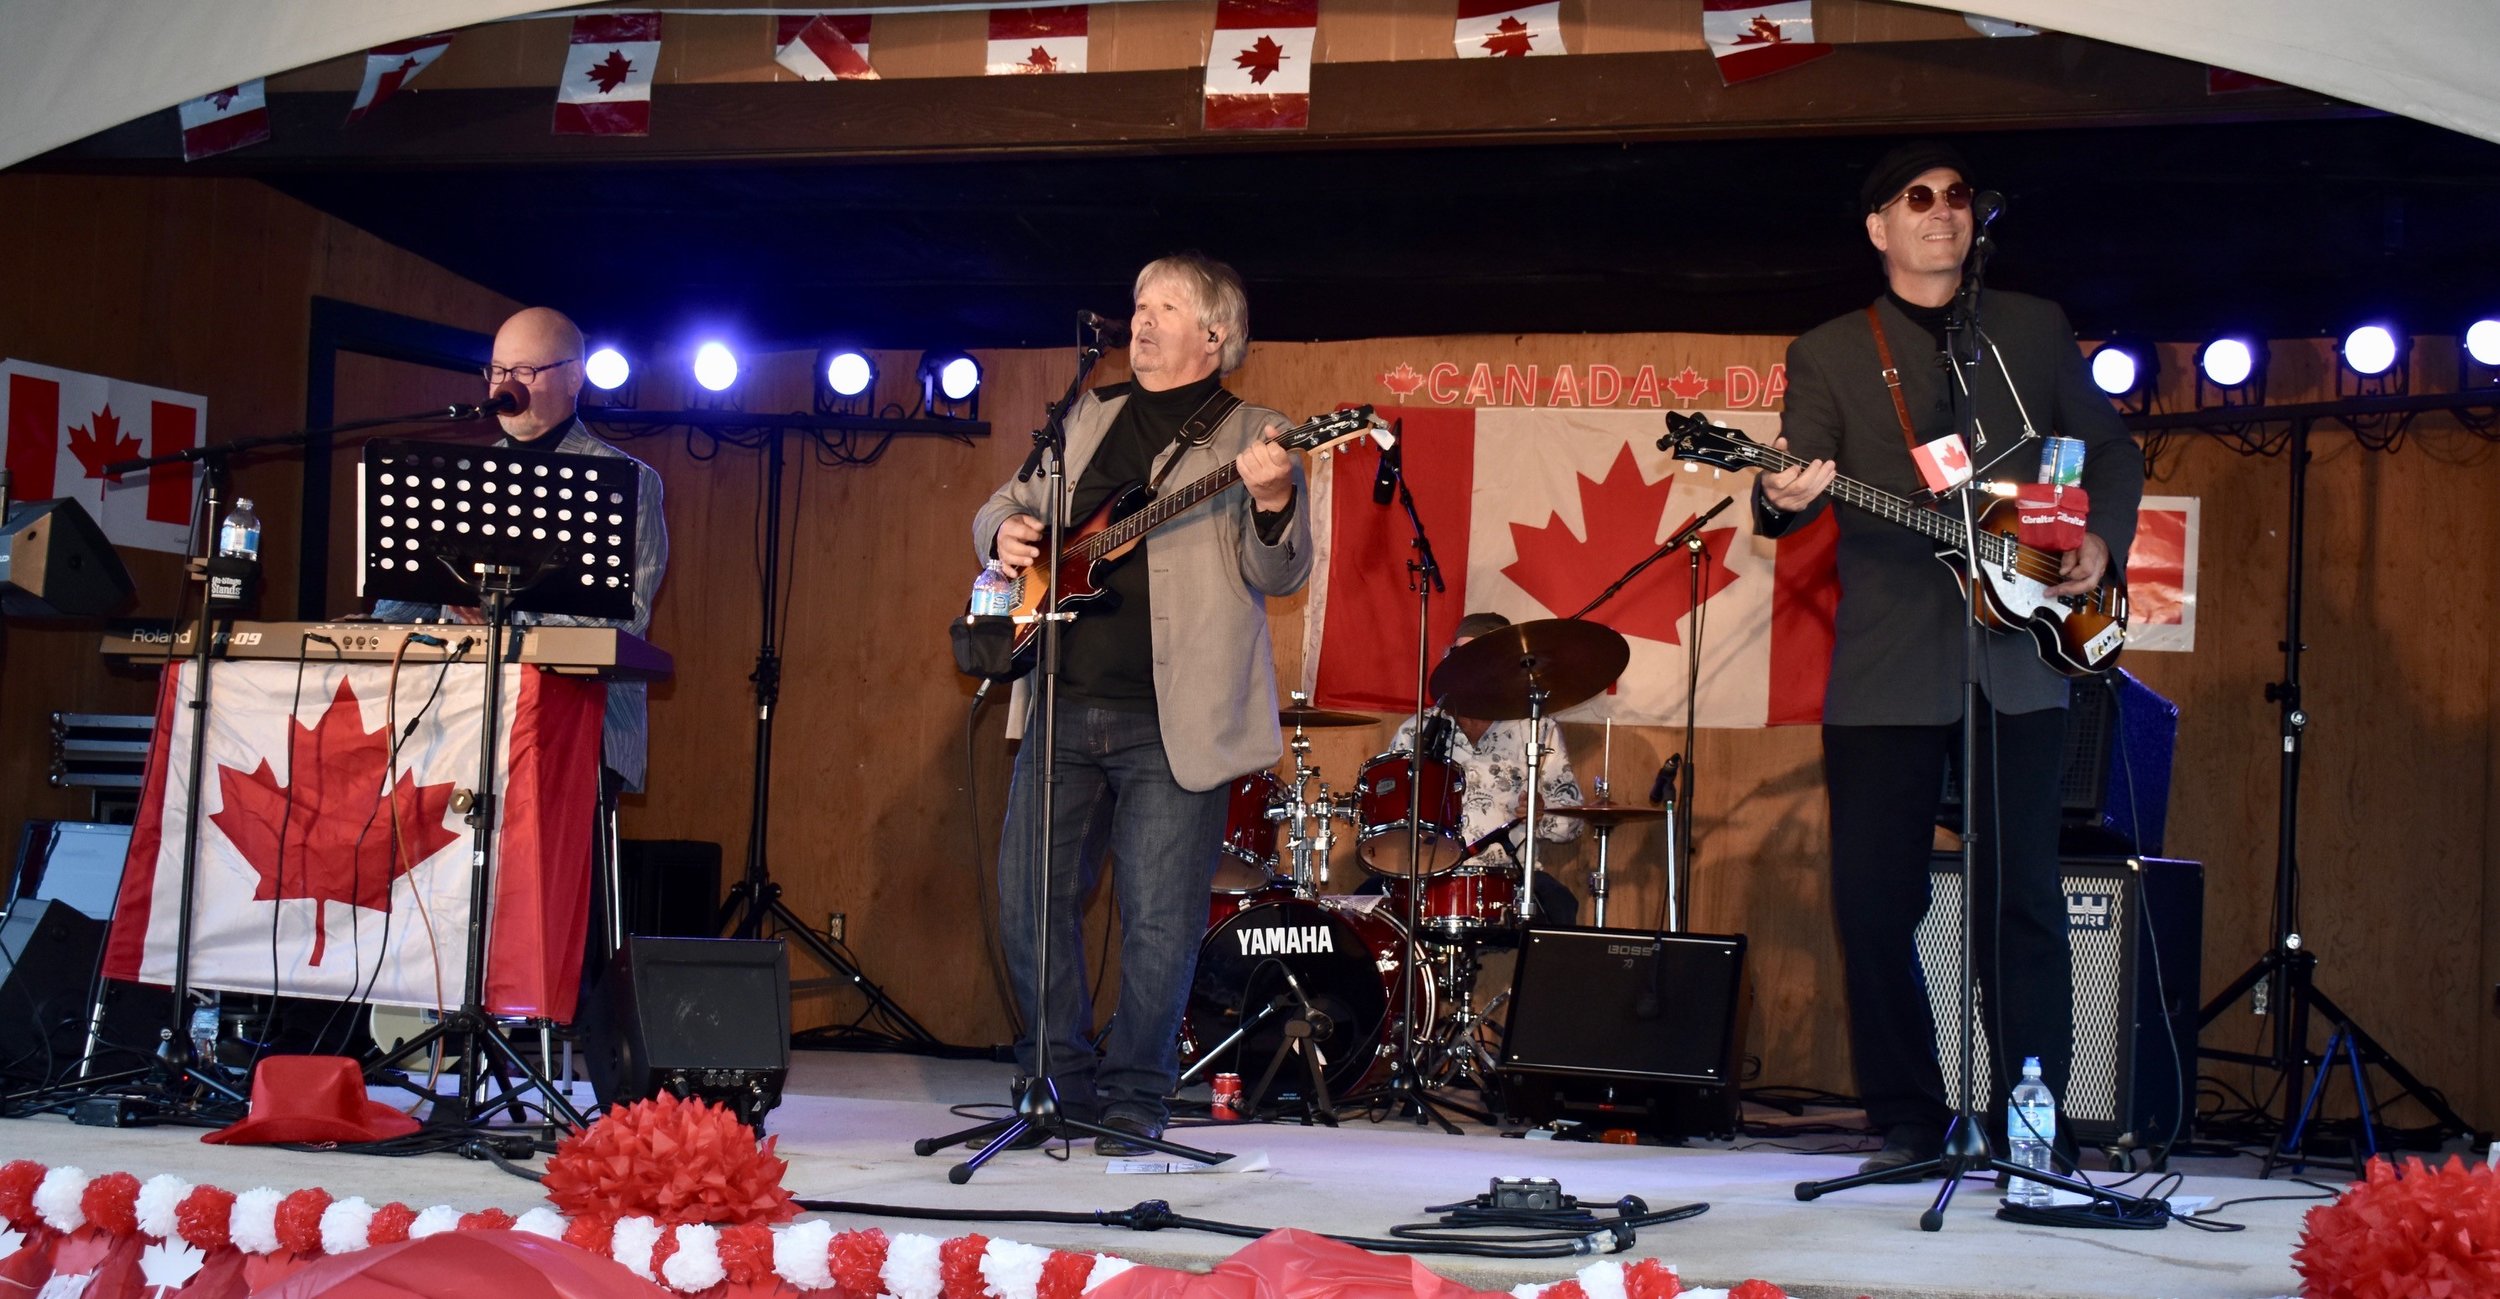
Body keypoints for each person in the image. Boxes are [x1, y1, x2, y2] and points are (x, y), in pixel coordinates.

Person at [1753, 142, 2141, 1179]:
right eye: (1914, 199)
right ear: (1878, 228)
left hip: (2018, 659)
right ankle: (1908, 1118)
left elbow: (2108, 447)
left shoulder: (2030, 327)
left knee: (2020, 898)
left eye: (1957, 197)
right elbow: (1790, 478)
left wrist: (2099, 538)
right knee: (1876, 901)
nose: (1941, 212)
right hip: (1888, 662)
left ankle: (2032, 1122)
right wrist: (1775, 495)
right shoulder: (1832, 349)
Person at [973, 253, 1311, 1155]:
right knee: (1025, 898)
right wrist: (998, 531)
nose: (1143, 320)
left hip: (1175, 720)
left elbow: (1279, 569)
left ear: (1214, 333)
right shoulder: (1089, 413)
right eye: (1137, 304)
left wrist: (1272, 498)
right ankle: (1057, 1079)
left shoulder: (1255, 430)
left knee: (1161, 915)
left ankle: (1135, 1092)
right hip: (1059, 701)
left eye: (1165, 306)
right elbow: (1007, 502)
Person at [373, 306, 669, 957]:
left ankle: (570, 1020)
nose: (509, 383)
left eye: (528, 370)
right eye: (500, 369)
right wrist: (440, 609)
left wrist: (505, 616)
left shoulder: (627, 484)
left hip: (579, 726)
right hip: (463, 719)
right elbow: (393, 612)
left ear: (574, 378)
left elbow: (622, 621)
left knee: (559, 917)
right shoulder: (457, 481)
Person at [1381, 611, 1582, 927]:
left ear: (1506, 665)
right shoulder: (1417, 731)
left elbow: (1572, 824)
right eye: (1461, 655)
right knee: (1365, 911)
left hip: (1513, 879)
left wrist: (1543, 813)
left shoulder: (1538, 728)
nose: (1469, 666)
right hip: (1427, 879)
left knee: (1559, 905)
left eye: (1480, 656)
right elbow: (1386, 815)